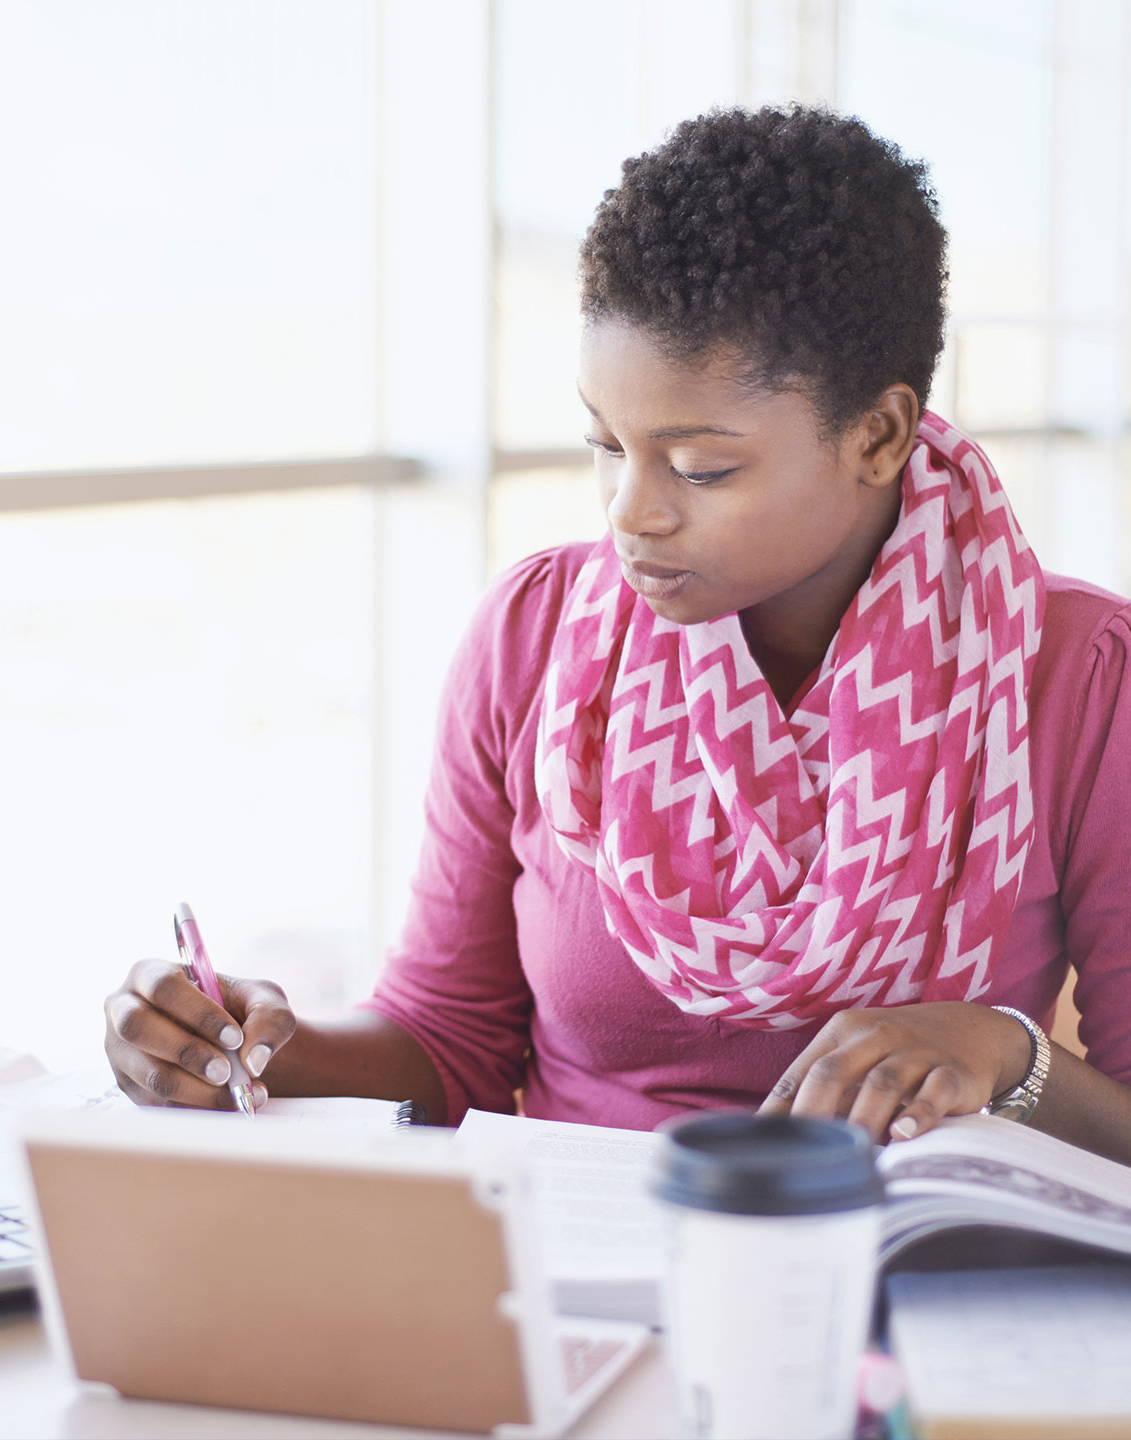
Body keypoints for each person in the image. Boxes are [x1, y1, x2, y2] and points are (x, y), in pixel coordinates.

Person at [103, 105, 1131, 1164]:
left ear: (877, 435)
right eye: (605, 444)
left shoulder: (1077, 679)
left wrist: (1008, 1056)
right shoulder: (536, 637)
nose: (630, 513)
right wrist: (244, 1047)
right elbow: (446, 1041)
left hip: (893, 1281)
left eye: (699, 468)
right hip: (561, 1266)